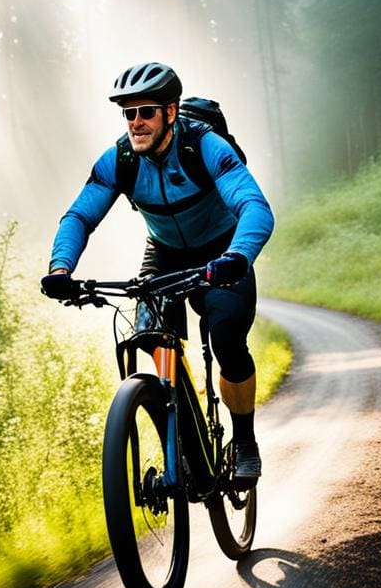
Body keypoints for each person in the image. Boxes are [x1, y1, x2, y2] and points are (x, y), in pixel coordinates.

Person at [41, 62, 274, 487]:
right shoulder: (122, 160)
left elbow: (255, 207)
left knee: (226, 339)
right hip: (164, 253)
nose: (136, 122)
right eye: (128, 114)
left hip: (223, 251)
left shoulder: (204, 147)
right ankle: (184, 434)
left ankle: (243, 442)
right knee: (149, 337)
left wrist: (238, 256)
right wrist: (61, 268)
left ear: (170, 111)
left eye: (145, 111)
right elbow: (80, 215)